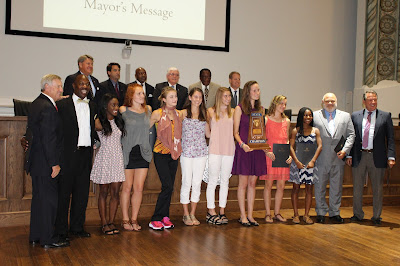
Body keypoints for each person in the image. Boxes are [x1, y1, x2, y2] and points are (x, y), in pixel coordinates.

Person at [25, 74, 68, 248]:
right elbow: (48, 139)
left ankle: (36, 235)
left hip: (37, 163)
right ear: (47, 87)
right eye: (58, 86)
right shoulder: (48, 107)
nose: (61, 90)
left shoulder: (37, 103)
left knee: (39, 200)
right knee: (49, 201)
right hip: (46, 163)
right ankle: (48, 238)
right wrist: (54, 163)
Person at [55, 74, 97, 240]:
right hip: (67, 155)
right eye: (81, 84)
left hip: (86, 154)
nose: (85, 86)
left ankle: (77, 227)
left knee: (81, 193)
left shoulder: (92, 105)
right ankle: (60, 230)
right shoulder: (62, 104)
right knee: (63, 194)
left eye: (87, 84)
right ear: (73, 86)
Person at [346, 90, 396, 225]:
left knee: (377, 188)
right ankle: (357, 214)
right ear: (364, 101)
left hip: (377, 156)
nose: (373, 102)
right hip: (359, 155)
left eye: (375, 99)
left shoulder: (385, 116)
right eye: (370, 100)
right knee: (357, 187)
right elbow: (351, 137)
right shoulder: (355, 116)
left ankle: (376, 216)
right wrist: (349, 154)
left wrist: (391, 156)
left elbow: (390, 138)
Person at [313, 93, 355, 223]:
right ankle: (320, 212)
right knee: (319, 186)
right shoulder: (314, 115)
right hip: (321, 157)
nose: (330, 103)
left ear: (336, 102)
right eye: (327, 101)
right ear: (322, 102)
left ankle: (335, 212)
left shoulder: (346, 116)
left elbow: (351, 134)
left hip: (338, 157)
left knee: (336, 187)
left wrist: (345, 150)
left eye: (332, 101)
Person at [232, 81, 267, 226]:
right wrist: (242, 144)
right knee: (243, 184)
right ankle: (242, 215)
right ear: (248, 92)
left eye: (258, 90)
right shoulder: (239, 109)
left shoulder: (262, 110)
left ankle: (251, 215)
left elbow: (261, 132)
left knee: (253, 183)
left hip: (257, 150)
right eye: (254, 90)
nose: (257, 92)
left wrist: (264, 146)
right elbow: (235, 132)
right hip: (244, 149)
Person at [90, 93, 125, 235]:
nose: (116, 108)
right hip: (105, 158)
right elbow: (92, 126)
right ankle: (104, 223)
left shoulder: (119, 122)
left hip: (117, 159)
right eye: (113, 105)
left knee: (115, 193)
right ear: (105, 106)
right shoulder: (99, 122)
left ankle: (111, 221)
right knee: (103, 192)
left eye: (117, 105)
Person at [148, 87, 183, 230]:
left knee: (169, 187)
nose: (174, 99)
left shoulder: (179, 114)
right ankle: (155, 218)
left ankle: (165, 217)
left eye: (175, 97)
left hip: (174, 154)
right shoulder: (157, 113)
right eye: (171, 97)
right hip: (160, 153)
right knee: (167, 185)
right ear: (164, 99)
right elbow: (145, 129)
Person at [119, 84, 153, 231]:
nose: (142, 96)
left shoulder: (148, 110)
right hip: (128, 152)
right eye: (139, 94)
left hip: (143, 152)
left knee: (138, 188)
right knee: (126, 187)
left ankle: (134, 218)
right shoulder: (123, 110)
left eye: (142, 93)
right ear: (131, 95)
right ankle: (125, 219)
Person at [179, 88, 209, 226]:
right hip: (186, 153)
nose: (198, 100)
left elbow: (208, 134)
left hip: (201, 153)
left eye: (200, 97)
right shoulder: (183, 113)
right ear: (190, 98)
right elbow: (177, 132)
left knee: (197, 183)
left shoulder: (205, 113)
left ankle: (192, 213)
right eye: (195, 97)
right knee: (186, 182)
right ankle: (185, 214)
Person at [206, 87, 235, 225]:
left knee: (225, 182)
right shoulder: (210, 111)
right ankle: (211, 210)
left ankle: (222, 210)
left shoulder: (233, 112)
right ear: (219, 97)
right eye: (225, 96)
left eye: (229, 96)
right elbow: (207, 132)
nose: (228, 98)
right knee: (212, 181)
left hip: (229, 150)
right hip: (214, 150)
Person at [260, 95, 292, 223]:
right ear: (274, 104)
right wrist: (266, 151)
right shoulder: (266, 119)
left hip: (282, 157)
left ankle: (277, 212)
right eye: (281, 104)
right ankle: (268, 213)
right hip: (270, 156)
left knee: (281, 186)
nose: (283, 106)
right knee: (268, 185)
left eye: (285, 104)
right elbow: (261, 139)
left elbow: (287, 139)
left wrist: (289, 154)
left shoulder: (287, 121)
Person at [289, 107, 322, 224]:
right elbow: (291, 147)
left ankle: (306, 215)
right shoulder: (295, 131)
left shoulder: (315, 131)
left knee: (309, 190)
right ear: (301, 116)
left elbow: (320, 146)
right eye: (306, 115)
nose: (308, 117)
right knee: (295, 189)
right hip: (297, 164)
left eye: (310, 115)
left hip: (310, 165)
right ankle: (296, 215)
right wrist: (296, 161)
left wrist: (313, 161)